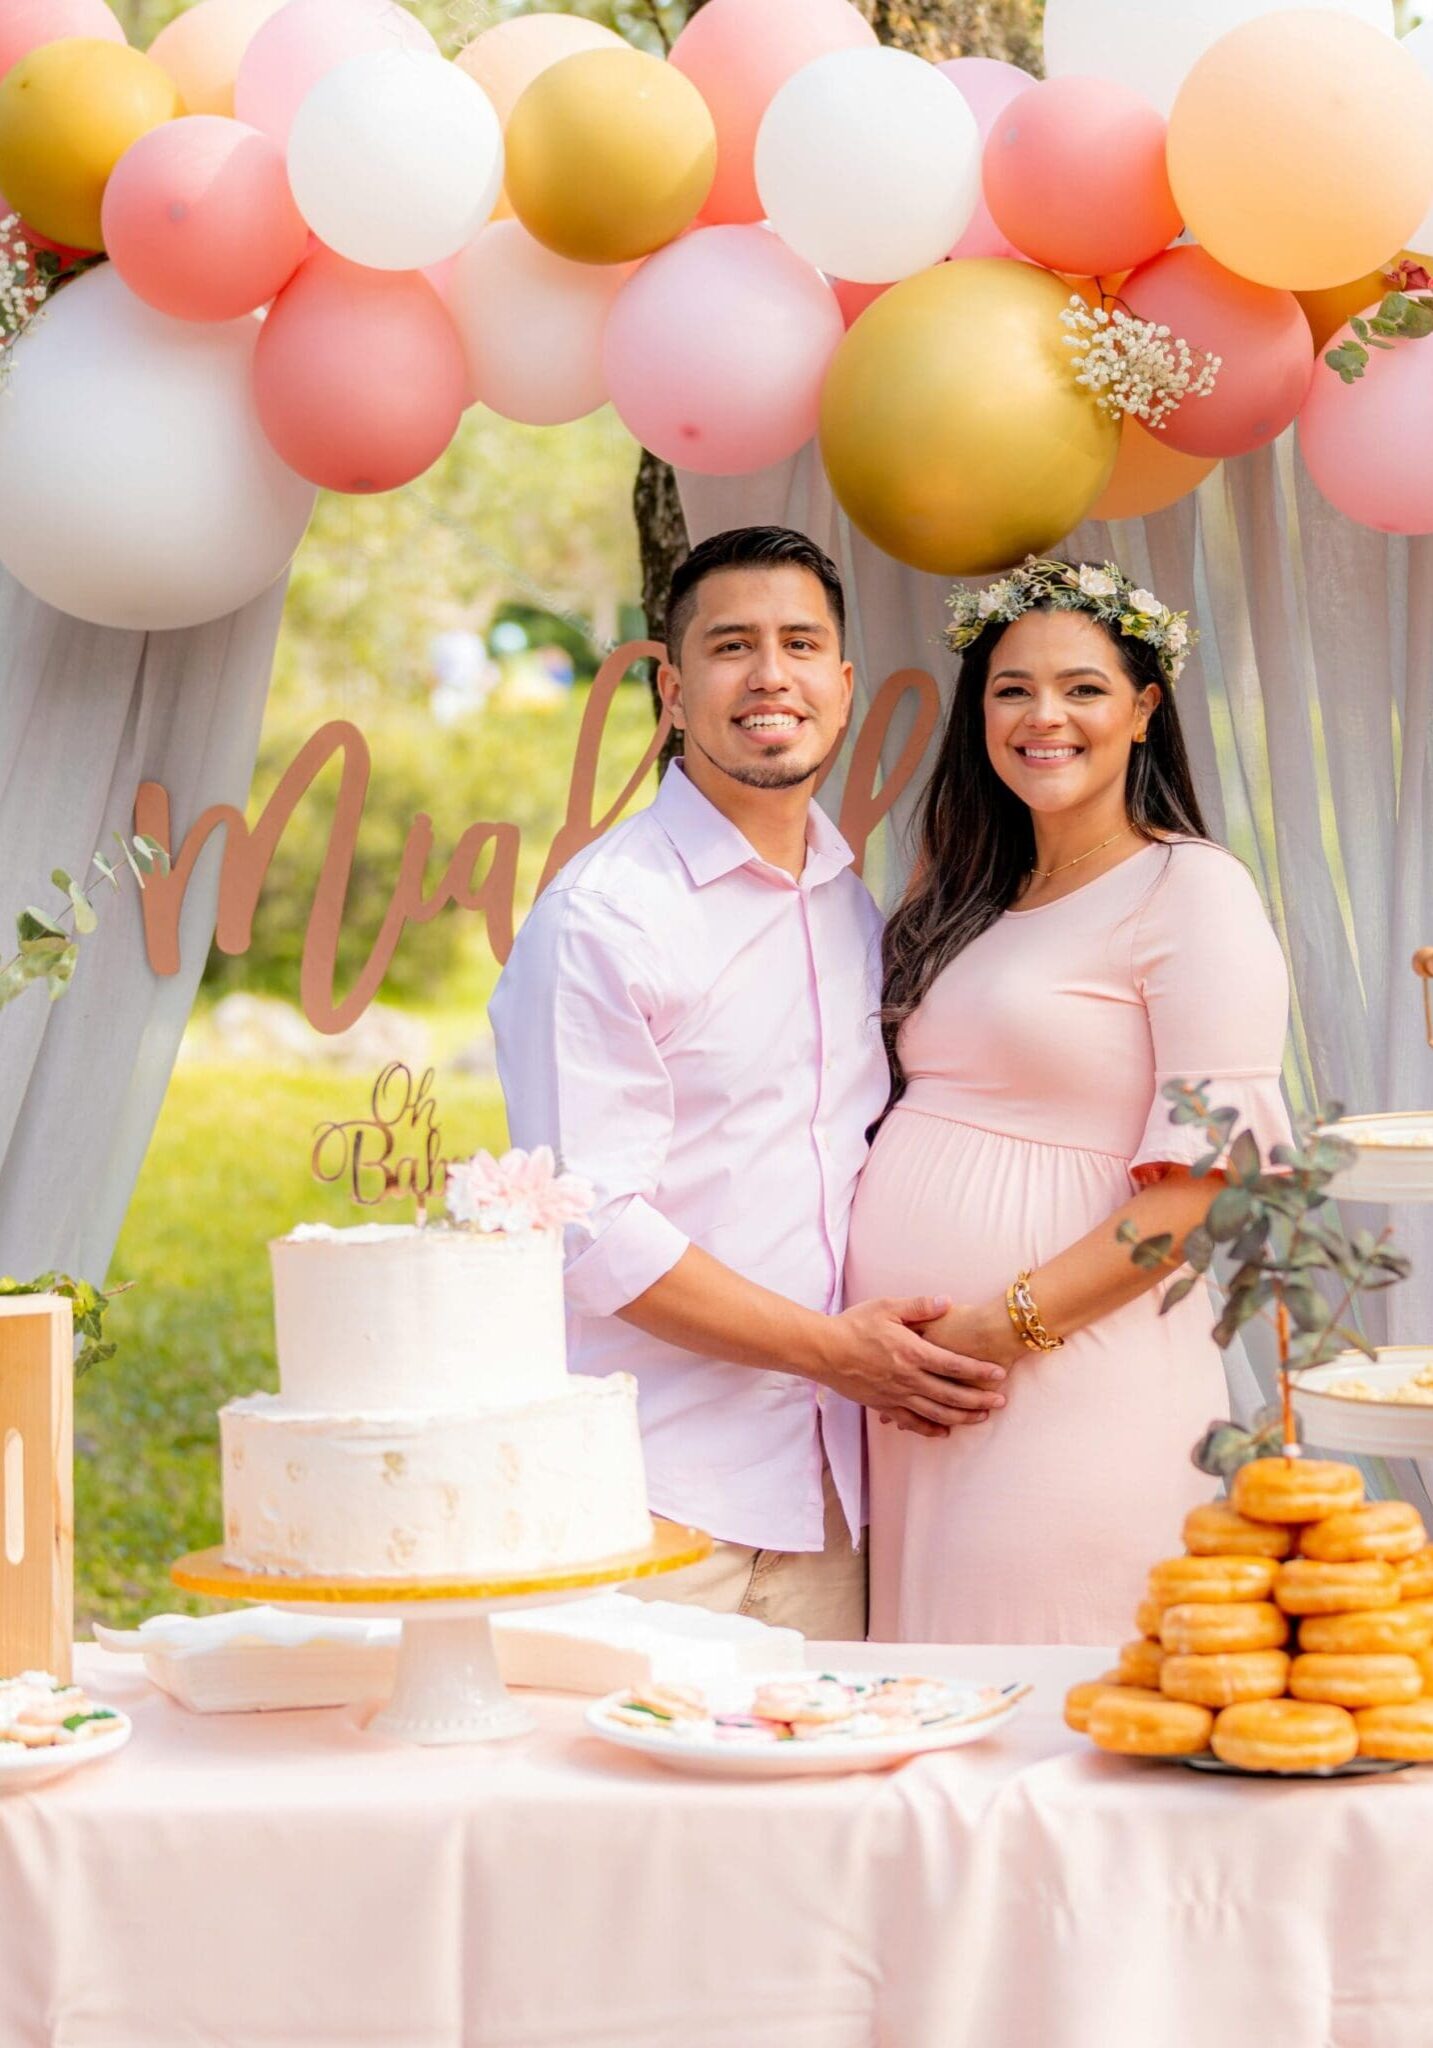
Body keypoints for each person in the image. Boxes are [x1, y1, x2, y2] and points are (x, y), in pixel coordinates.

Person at [489, 526, 1003, 1641]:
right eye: (731, 646)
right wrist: (835, 1352)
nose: (769, 674)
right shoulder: (605, 917)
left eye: (800, 643)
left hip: (836, 1496)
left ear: (842, 682)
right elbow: (595, 1235)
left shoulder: (845, 899)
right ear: (673, 689)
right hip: (660, 1498)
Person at [845, 557, 1293, 1646]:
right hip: (926, 1393)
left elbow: (1205, 1187)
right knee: (936, 1720)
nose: (1043, 716)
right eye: (1011, 688)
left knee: (1045, 1717)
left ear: (1142, 709)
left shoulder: (1190, 889)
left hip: (1066, 1379)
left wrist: (994, 1330)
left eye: (1082, 688)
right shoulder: (965, 897)